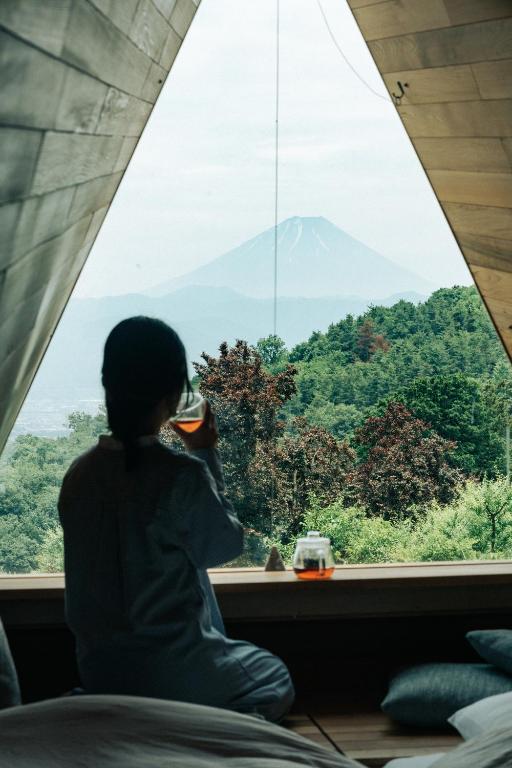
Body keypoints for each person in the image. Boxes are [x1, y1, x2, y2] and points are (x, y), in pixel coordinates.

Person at [58, 316, 294, 722]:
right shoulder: (179, 474)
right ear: (172, 394)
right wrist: (204, 451)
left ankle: (131, 718)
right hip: (175, 671)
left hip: (102, 674)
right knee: (275, 677)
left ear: (108, 385)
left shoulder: (79, 475)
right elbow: (223, 546)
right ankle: (202, 727)